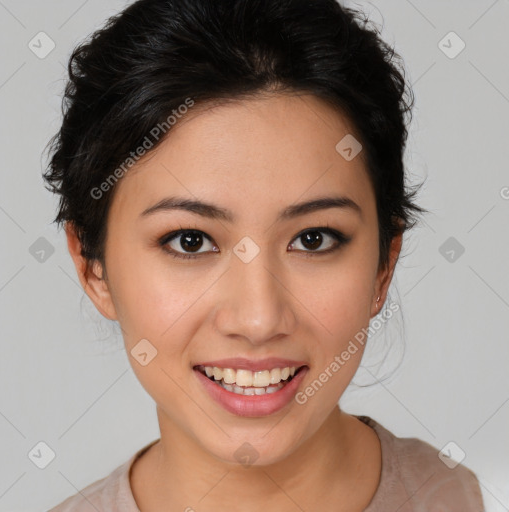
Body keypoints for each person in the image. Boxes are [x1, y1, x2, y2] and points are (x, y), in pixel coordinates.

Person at [43, 0, 485, 510]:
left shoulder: (462, 496)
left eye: (314, 239)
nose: (258, 319)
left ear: (384, 264)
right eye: (190, 241)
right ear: (92, 267)